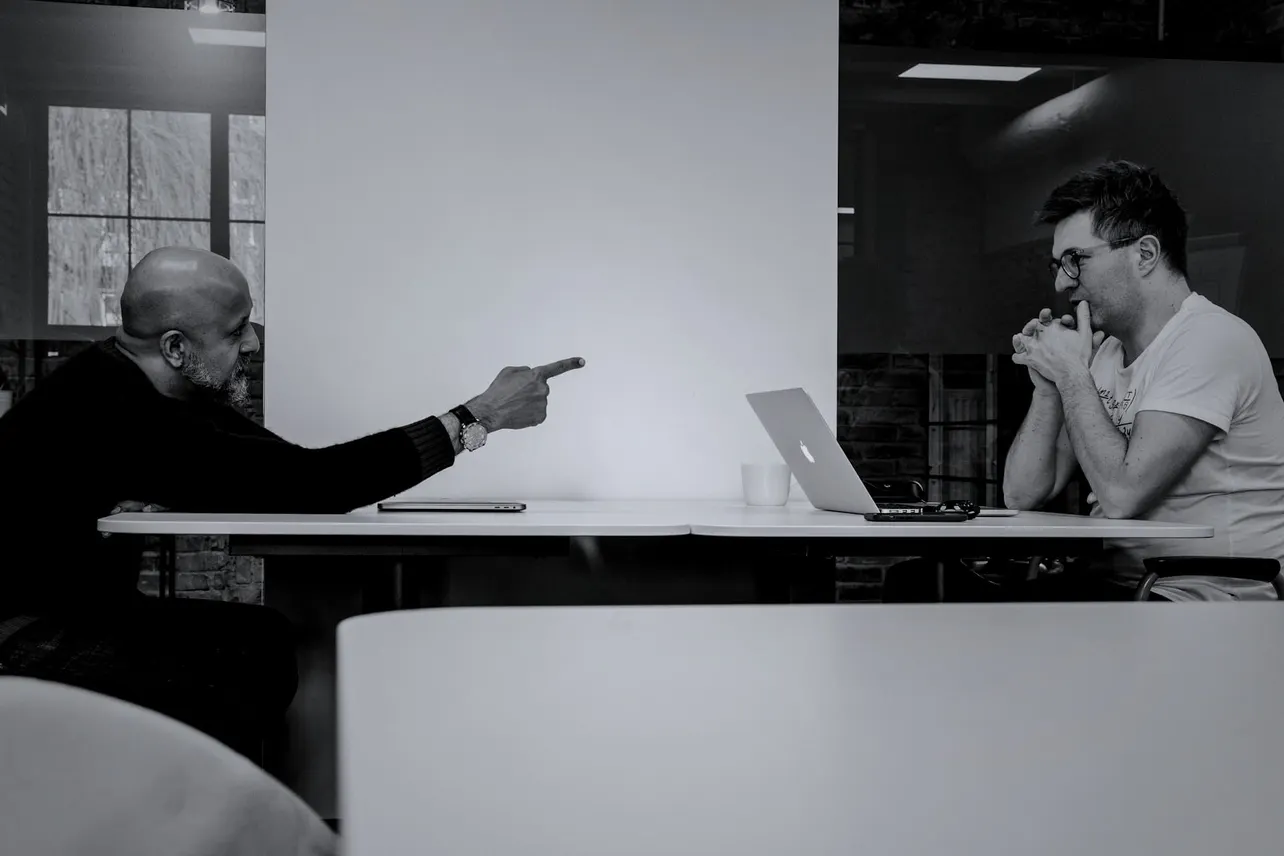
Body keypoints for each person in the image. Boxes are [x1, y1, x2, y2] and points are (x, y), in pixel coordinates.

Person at [0, 247, 586, 755]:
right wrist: (478, 416)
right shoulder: (120, 410)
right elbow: (318, 484)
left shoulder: (146, 387)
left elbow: (292, 470)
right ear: (176, 347)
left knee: (257, 641)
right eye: (236, 330)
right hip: (26, 638)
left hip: (70, 612)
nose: (253, 342)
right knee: (248, 653)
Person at [1001, 160, 1284, 601]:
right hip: (1124, 583)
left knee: (991, 620)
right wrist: (1048, 385)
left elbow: (1119, 495)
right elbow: (1022, 493)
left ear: (1145, 255)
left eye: (1076, 260)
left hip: (1204, 594)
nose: (1061, 283)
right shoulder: (1108, 353)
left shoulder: (1209, 340)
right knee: (919, 582)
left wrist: (1072, 373)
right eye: (1057, 264)